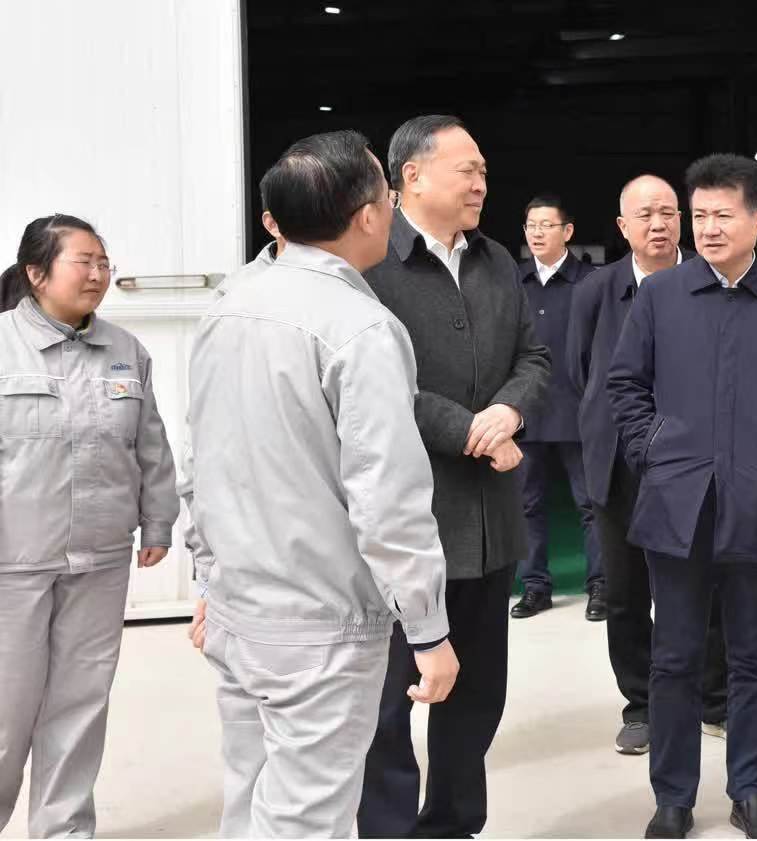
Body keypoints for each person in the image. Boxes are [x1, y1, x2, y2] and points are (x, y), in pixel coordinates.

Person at [182, 130, 458, 838]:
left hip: (240, 607)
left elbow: (202, 460)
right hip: (319, 625)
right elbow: (387, 498)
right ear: (367, 215)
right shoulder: (361, 328)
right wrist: (428, 628)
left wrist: (207, 579)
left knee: (249, 802)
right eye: (386, 195)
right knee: (308, 818)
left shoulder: (229, 305)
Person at [609, 153, 757, 840]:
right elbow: (625, 386)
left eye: (722, 215)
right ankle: (673, 796)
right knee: (674, 658)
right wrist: (655, 450)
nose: (707, 228)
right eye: (698, 215)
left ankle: (750, 790)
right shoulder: (661, 296)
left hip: (756, 504)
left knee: (753, 657)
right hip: (676, 507)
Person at [359, 115, 550, 839]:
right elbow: (374, 386)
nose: (481, 184)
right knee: (390, 698)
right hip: (404, 522)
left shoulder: (496, 259)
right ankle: (387, 828)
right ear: (411, 175)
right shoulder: (370, 263)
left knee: (477, 693)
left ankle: (453, 822)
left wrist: (509, 410)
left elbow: (534, 357)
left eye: (484, 173)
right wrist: (468, 430)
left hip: (488, 522)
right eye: (467, 170)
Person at [0, 215, 177, 838]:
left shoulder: (127, 351)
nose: (99, 274)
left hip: (100, 557)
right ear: (36, 272)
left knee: (80, 702)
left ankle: (64, 829)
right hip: (13, 560)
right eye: (84, 262)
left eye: (105, 262)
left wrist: (158, 519)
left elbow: (151, 444)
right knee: (6, 708)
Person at [566, 173, 729, 755]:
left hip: (695, 463)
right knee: (626, 592)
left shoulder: (711, 282)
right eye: (645, 215)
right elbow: (581, 371)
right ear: (622, 226)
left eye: (667, 213)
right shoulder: (597, 291)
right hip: (620, 465)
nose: (658, 225)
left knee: (705, 585)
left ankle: (714, 697)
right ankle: (641, 703)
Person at [513, 194, 603, 621]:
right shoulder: (513, 281)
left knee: (592, 505)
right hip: (524, 411)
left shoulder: (592, 282)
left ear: (567, 231)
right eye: (531, 226)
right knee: (526, 505)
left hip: (579, 412)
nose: (537, 233)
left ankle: (600, 586)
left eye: (546, 225)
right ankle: (535, 587)